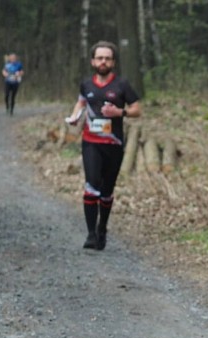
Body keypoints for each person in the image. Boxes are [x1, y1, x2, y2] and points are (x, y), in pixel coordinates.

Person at [65, 40, 141, 251]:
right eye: (99, 58)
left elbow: (137, 109)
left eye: (107, 58)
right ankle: (90, 235)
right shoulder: (86, 84)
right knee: (91, 185)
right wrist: (74, 116)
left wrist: (120, 112)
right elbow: (81, 102)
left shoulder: (122, 85)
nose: (103, 62)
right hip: (91, 142)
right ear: (92, 61)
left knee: (106, 191)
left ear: (113, 62)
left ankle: (102, 229)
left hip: (114, 143)